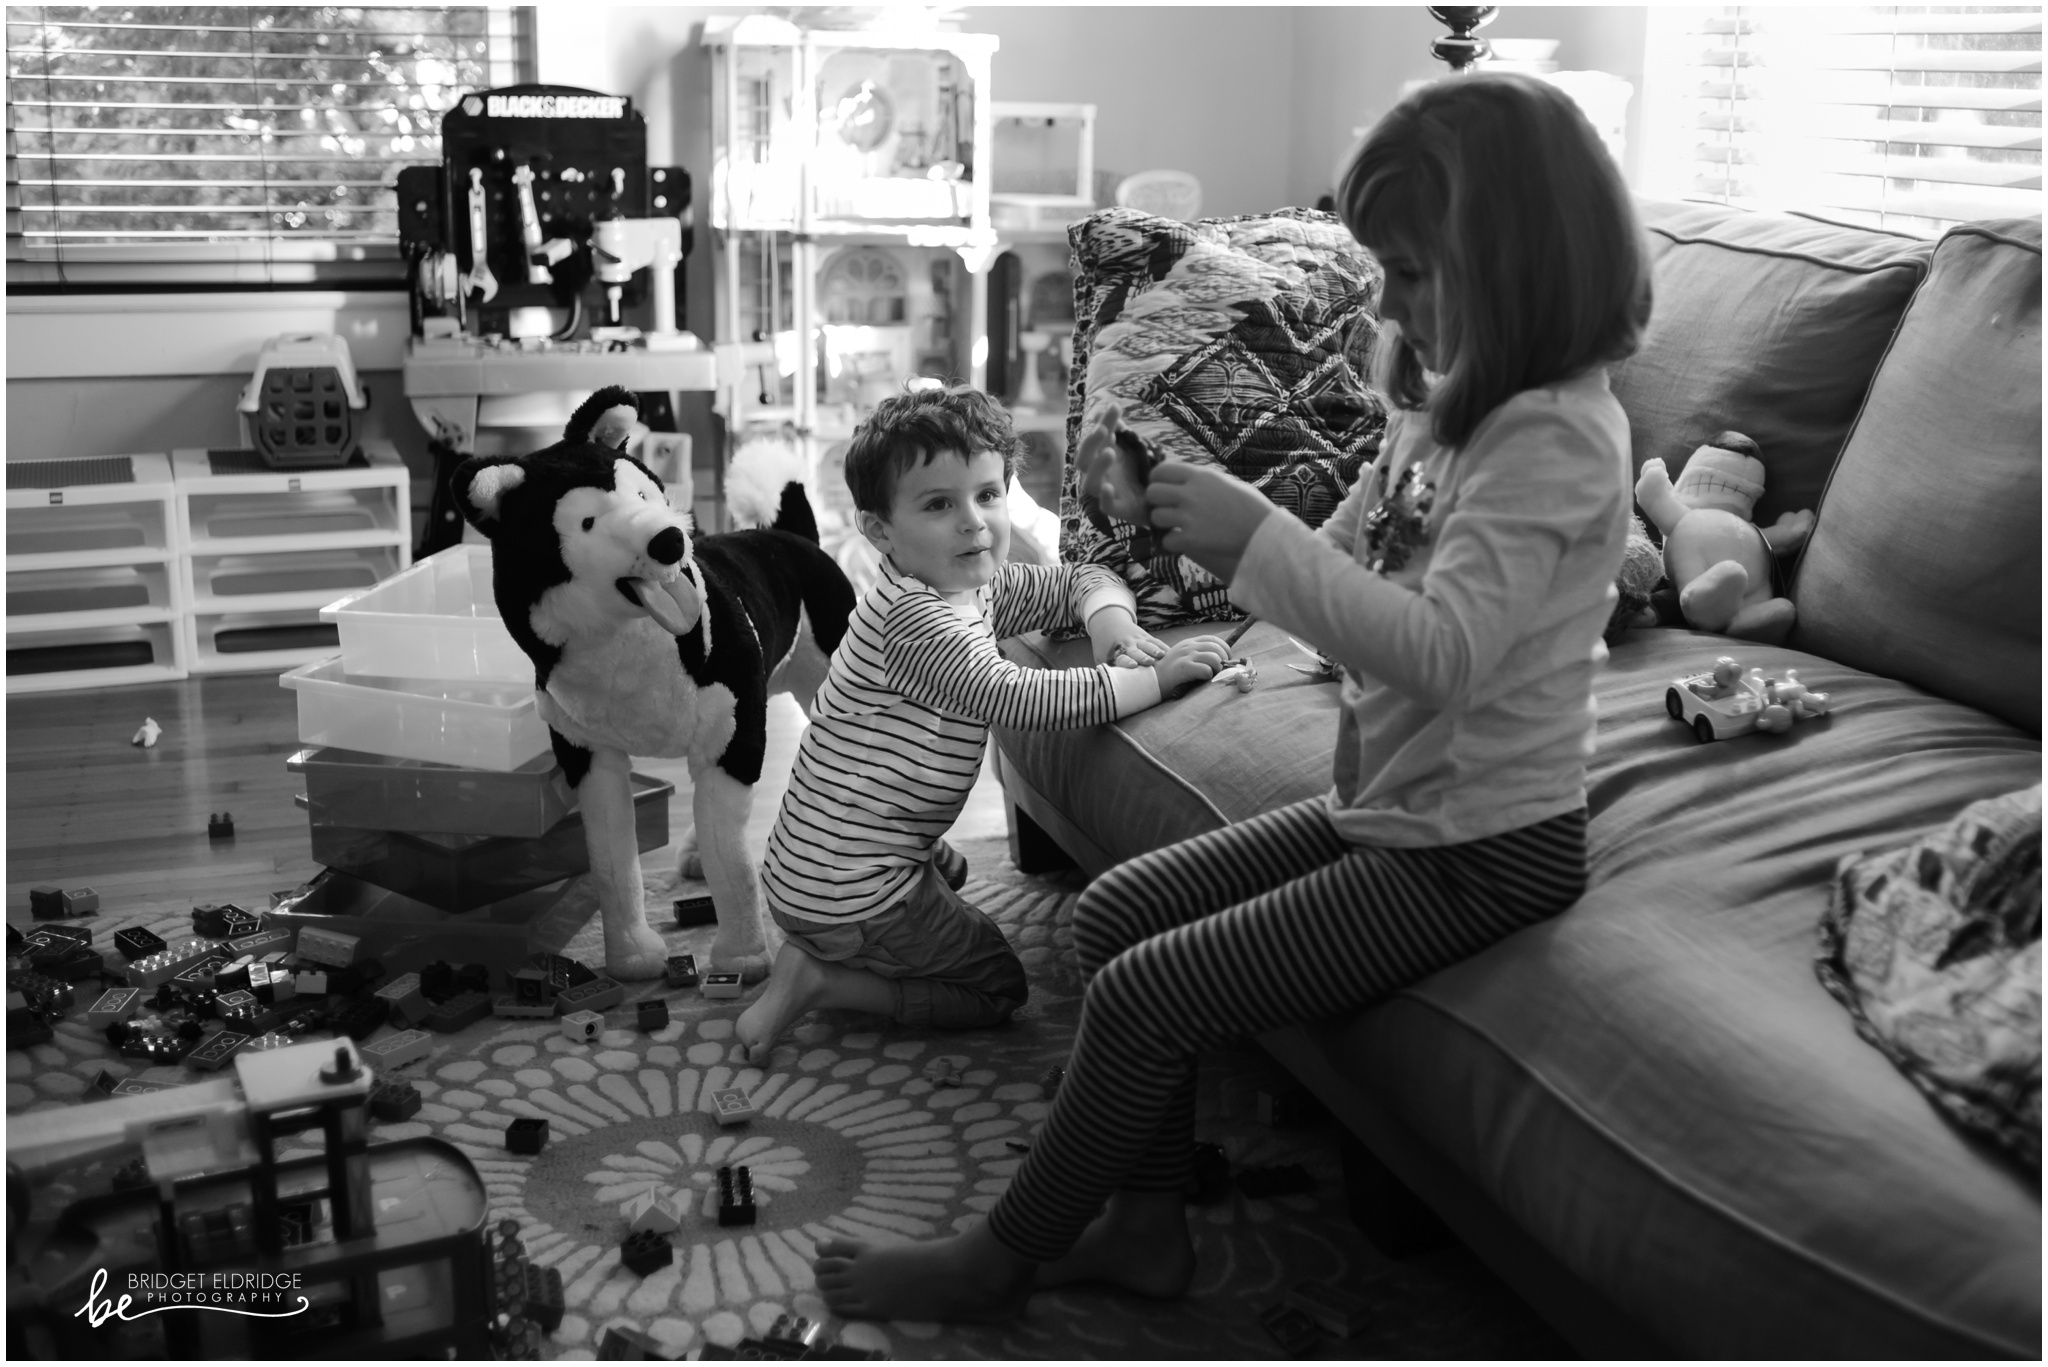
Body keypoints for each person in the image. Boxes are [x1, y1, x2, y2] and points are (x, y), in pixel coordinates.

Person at [811, 72, 1653, 1323]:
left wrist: (1256, 542)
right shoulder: (1448, 413)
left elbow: (1445, 655)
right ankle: (1146, 1227)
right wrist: (1163, 502)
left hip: (1480, 848)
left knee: (1152, 989)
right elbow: (1344, 559)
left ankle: (1005, 1254)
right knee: (1114, 916)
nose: (1389, 303)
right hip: (1393, 804)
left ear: (1514, 263)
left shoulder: (1558, 437)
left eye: (1414, 274)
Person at [738, 385, 1230, 1064]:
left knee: (953, 871)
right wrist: (1148, 680)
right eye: (939, 504)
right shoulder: (917, 621)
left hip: (819, 863)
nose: (974, 522)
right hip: (849, 890)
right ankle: (824, 978)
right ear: (879, 529)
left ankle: (858, 923)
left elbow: (1081, 578)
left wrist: (1114, 630)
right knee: (996, 988)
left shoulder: (968, 583)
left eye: (988, 494)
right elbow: (1015, 696)